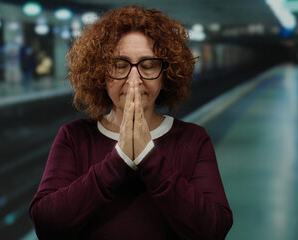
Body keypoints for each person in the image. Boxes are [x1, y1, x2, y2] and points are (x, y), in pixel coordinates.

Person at [29, 6, 233, 239]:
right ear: (100, 73)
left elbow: (214, 229)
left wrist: (148, 156)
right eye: (119, 66)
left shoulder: (192, 139)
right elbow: (46, 225)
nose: (134, 80)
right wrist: (119, 160)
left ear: (166, 73)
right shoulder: (74, 137)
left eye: (148, 66)